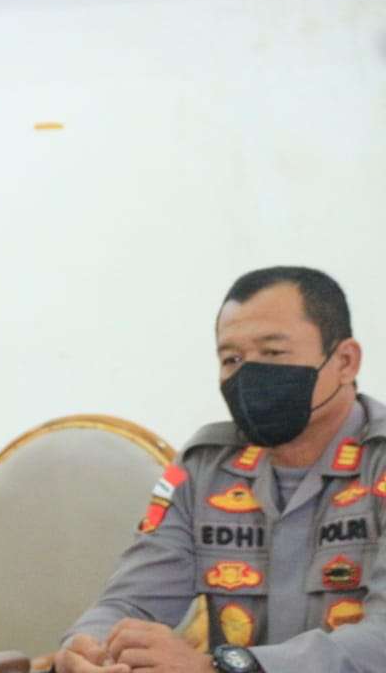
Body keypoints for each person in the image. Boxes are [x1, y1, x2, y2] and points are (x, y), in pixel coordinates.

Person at [55, 267, 384, 673]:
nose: (248, 374)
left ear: (346, 361)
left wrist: (223, 668)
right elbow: (131, 601)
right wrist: (88, 648)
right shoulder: (203, 469)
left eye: (273, 353)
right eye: (232, 359)